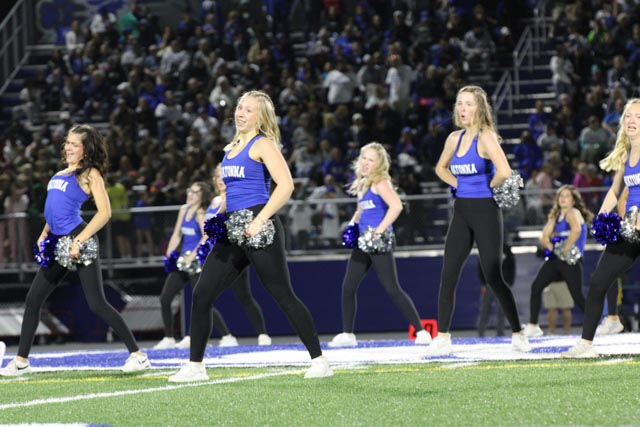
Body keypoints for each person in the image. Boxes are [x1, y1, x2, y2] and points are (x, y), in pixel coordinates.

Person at [168, 90, 333, 382]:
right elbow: (231, 193)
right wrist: (219, 219)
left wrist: (259, 220)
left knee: (283, 295)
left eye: (248, 110)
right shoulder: (230, 147)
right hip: (232, 229)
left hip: (260, 225)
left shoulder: (263, 144)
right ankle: (195, 366)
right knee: (202, 293)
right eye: (239, 108)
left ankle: (319, 360)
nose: (240, 113)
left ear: (261, 117)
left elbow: (286, 186)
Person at [0, 124, 151, 376]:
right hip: (57, 241)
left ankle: (139, 355)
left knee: (97, 303)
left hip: (79, 239)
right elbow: (55, 209)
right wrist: (45, 231)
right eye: (67, 143)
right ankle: (21, 361)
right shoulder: (60, 173)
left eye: (74, 144)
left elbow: (105, 213)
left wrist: (79, 240)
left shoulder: (89, 173)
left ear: (85, 149)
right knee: (33, 299)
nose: (68, 147)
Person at [427, 85, 530, 356]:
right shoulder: (453, 139)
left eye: (468, 104)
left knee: (493, 275)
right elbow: (440, 168)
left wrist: (488, 189)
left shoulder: (486, 137)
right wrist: (457, 185)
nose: (462, 109)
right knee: (448, 273)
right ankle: (443, 337)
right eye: (460, 104)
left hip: (486, 210)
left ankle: (518, 332)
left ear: (480, 108)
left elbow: (505, 171)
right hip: (461, 211)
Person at [328, 142, 432, 348]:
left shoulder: (380, 182)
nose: (366, 163)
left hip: (379, 242)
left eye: (371, 160)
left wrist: (378, 231)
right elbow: (361, 210)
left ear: (379, 164)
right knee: (348, 286)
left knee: (392, 288)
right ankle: (348, 334)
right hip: (363, 241)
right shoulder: (363, 183)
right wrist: (352, 226)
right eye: (364, 158)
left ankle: (421, 332)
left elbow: (397, 206)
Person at [562, 98, 640, 358]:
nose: (631, 121)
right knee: (598, 282)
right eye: (628, 116)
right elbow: (615, 190)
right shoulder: (626, 152)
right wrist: (601, 217)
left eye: (638, 117)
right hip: (631, 228)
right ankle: (586, 344)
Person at [154, 180, 239, 350]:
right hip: (182, 261)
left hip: (196, 262)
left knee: (201, 300)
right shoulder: (183, 209)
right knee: (165, 298)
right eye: (189, 191)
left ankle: (227, 336)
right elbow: (177, 234)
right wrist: (169, 252)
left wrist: (193, 255)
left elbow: (206, 236)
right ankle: (169, 337)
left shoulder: (201, 213)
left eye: (195, 192)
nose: (190, 195)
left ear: (202, 196)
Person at [203, 164, 272, 346]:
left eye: (222, 175)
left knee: (244, 296)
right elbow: (207, 230)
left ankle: (262, 334)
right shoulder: (213, 202)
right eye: (217, 176)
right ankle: (224, 336)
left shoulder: (236, 198)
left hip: (235, 252)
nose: (220, 179)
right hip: (216, 255)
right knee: (204, 296)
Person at [521, 185, 593, 337]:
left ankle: (595, 324)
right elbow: (543, 237)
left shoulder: (574, 212)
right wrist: (554, 249)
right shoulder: (556, 215)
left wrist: (565, 249)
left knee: (577, 296)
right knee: (536, 286)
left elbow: (577, 231)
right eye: (560, 196)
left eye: (567, 196)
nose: (563, 198)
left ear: (573, 200)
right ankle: (533, 325)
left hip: (572, 260)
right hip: (557, 260)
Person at [477, 243, 515, 337]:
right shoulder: (486, 247)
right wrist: (484, 283)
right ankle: (481, 334)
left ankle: (500, 333)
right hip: (490, 284)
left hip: (503, 284)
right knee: (485, 310)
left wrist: (509, 283)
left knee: (502, 311)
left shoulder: (506, 249)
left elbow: (512, 265)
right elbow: (480, 266)